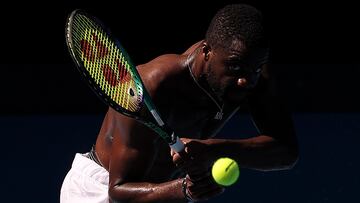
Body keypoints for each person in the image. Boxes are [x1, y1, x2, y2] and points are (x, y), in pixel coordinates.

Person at [60, 3, 298, 203]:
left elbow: (286, 152)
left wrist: (213, 149)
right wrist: (184, 190)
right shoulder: (152, 88)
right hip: (98, 191)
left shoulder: (251, 77)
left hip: (160, 189)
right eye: (234, 66)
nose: (244, 80)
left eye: (255, 68)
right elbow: (118, 192)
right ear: (207, 52)